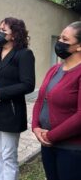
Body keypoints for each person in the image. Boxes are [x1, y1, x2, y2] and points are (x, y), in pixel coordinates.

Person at [0, 17, 35, 180]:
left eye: (4, 31)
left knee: (8, 156)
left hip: (11, 111)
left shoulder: (24, 54)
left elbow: (27, 84)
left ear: (15, 34)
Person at [32, 21, 81, 180]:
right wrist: (35, 127)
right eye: (60, 38)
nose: (59, 42)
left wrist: (50, 136)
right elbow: (40, 100)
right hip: (47, 145)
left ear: (79, 46)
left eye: (65, 40)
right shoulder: (54, 69)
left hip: (71, 149)